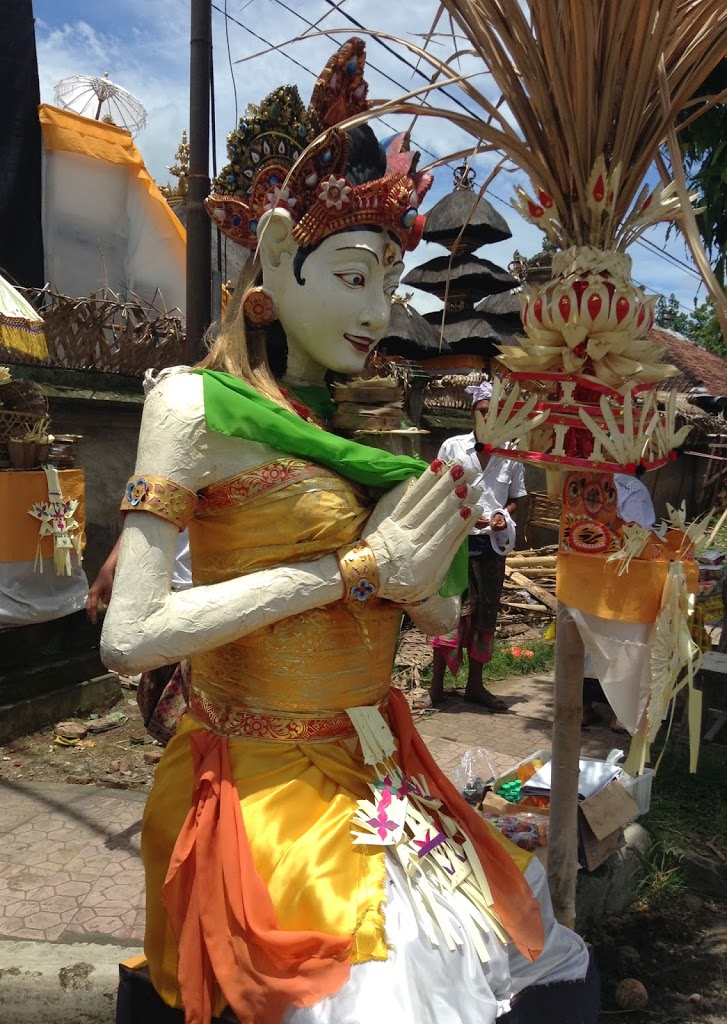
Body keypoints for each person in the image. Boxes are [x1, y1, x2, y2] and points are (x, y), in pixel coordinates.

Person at [102, 40, 595, 1024]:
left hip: (374, 758)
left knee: (507, 924)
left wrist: (419, 568)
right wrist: (357, 567)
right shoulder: (193, 406)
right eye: (360, 275)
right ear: (279, 253)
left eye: (392, 283)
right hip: (255, 781)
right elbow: (129, 636)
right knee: (387, 986)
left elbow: (447, 611)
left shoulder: (355, 437)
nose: (383, 310)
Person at [423, 382, 526, 711]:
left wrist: (500, 517)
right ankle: (436, 685)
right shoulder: (453, 447)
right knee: (449, 609)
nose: (488, 418)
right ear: (473, 414)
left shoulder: (512, 454)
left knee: (485, 615)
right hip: (455, 542)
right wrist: (463, 513)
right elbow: (436, 488)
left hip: (491, 548)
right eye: (483, 412)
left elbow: (516, 500)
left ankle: (475, 685)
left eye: (494, 413)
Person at [581, 471, 656, 729]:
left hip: (584, 571)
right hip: (620, 574)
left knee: (586, 636)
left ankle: (582, 708)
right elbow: (639, 536)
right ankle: (619, 716)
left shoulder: (580, 480)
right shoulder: (633, 488)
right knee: (621, 639)